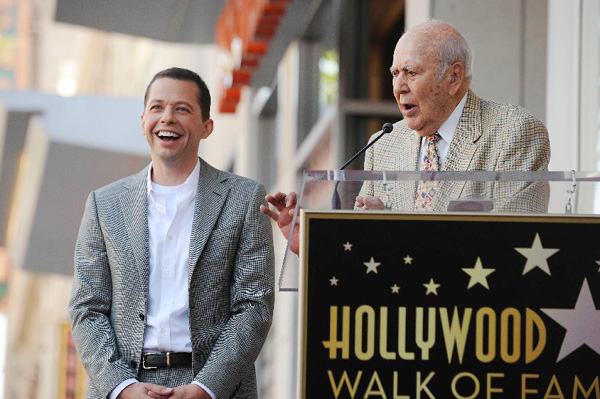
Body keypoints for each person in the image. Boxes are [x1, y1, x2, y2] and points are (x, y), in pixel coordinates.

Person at [69, 67, 274, 399]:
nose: (167, 118)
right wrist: (123, 387)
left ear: (206, 126)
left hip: (213, 388)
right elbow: (86, 308)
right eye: (157, 108)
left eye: (182, 109)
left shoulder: (245, 199)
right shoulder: (103, 205)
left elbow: (254, 306)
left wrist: (205, 388)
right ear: (142, 122)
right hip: (126, 386)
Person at [260, 20, 550, 253]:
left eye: (411, 72)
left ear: (453, 77)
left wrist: (395, 226)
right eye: (394, 73)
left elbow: (514, 244)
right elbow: (361, 249)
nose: (398, 87)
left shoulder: (514, 131)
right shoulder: (385, 144)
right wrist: (314, 241)